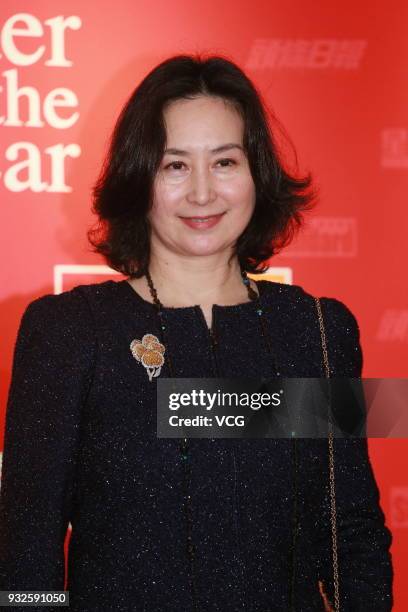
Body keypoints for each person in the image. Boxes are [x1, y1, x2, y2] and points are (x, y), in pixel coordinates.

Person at [0, 54, 393, 611]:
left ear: (257, 172)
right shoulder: (70, 333)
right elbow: (27, 550)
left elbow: (351, 529)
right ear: (139, 178)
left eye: (226, 162)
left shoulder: (318, 329)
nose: (203, 194)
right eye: (175, 166)